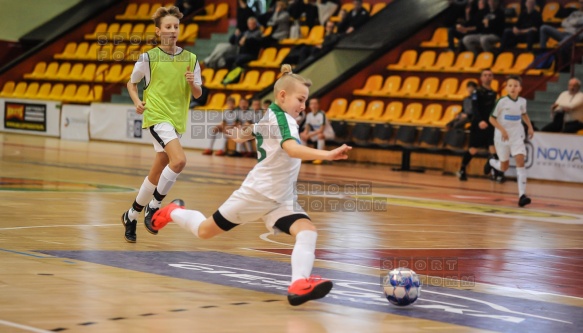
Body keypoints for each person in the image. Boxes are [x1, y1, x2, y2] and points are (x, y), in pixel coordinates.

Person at [150, 64, 352, 306]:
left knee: (307, 232)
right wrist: (327, 155)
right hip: (256, 194)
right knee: (204, 231)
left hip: (281, 199)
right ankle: (174, 212)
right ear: (283, 96)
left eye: (305, 101)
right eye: (301, 99)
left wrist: (239, 134)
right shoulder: (284, 119)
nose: (303, 106)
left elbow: (252, 131)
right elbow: (291, 148)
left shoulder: (273, 115)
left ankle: (299, 283)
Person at [121, 6, 202, 243]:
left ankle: (131, 214)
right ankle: (154, 207)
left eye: (176, 26)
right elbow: (131, 83)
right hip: (157, 116)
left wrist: (193, 84)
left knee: (158, 170)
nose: (173, 30)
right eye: (168, 26)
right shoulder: (148, 57)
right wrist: (137, 101)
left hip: (176, 119)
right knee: (179, 161)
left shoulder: (191, 59)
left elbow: (198, 93)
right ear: (158, 31)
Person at [485, 75, 534, 207]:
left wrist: (530, 127)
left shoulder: (522, 102)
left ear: (520, 88)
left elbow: (524, 114)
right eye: (510, 85)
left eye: (515, 86)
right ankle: (491, 162)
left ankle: (522, 196)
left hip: (517, 136)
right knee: (504, 167)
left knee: (520, 160)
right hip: (502, 136)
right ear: (506, 87)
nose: (513, 88)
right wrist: (502, 130)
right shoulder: (501, 102)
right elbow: (491, 119)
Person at [456, 69, 501, 182]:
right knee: (473, 150)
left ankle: (495, 173)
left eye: (490, 75)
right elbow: (475, 108)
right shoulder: (477, 92)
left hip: (490, 124)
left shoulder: (494, 93)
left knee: (493, 149)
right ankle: (462, 169)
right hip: (478, 124)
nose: (488, 77)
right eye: (485, 75)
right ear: (481, 78)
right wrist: (480, 120)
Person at [300, 98, 335, 165]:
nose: (313, 105)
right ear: (309, 105)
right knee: (302, 136)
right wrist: (304, 134)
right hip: (316, 133)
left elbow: (321, 130)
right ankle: (304, 156)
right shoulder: (309, 115)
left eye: (315, 103)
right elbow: (307, 128)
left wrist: (309, 135)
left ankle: (320, 157)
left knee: (320, 136)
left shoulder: (322, 114)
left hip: (327, 133)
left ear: (318, 105)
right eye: (311, 104)